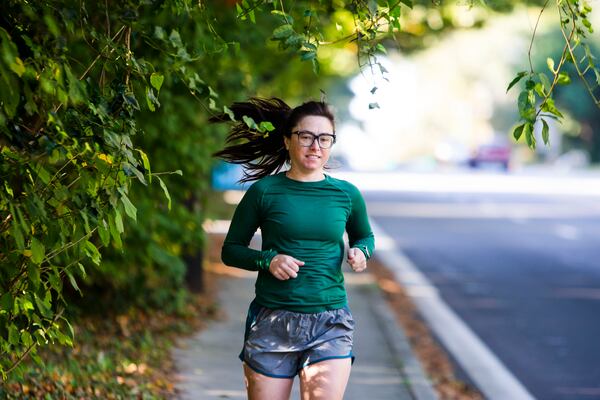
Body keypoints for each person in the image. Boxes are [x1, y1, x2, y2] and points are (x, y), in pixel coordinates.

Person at [211, 97, 375, 400]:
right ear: (288, 140)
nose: (315, 146)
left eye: (324, 138)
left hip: (330, 320)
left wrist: (361, 252)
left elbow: (365, 236)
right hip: (272, 321)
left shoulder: (346, 194)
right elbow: (231, 250)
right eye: (306, 136)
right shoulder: (264, 191)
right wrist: (267, 260)